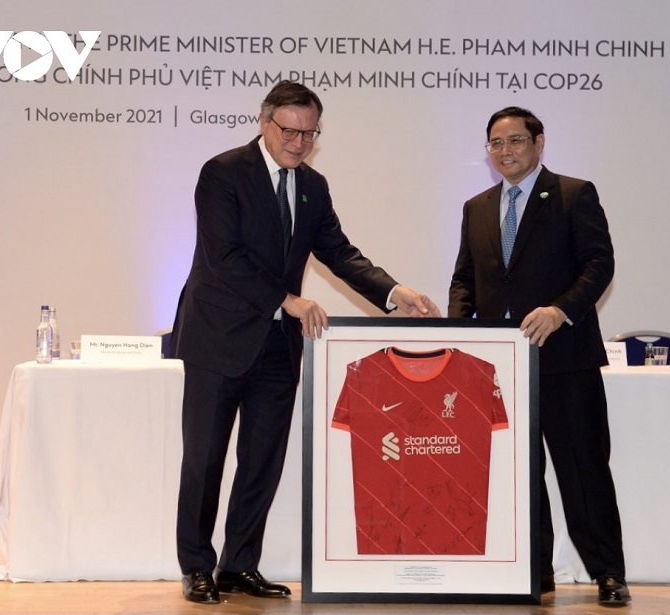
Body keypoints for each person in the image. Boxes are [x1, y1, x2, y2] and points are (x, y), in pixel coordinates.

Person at [170, 81, 441, 604]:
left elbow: (339, 252)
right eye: (290, 131)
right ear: (264, 121)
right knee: (204, 460)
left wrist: (393, 291)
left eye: (309, 134)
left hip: (278, 346)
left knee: (262, 460)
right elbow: (223, 258)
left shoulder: (313, 185)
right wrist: (287, 299)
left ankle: (238, 565)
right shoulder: (223, 173)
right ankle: (196, 566)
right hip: (218, 340)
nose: (299, 143)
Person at [447, 106, 630, 607]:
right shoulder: (477, 207)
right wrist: (462, 334)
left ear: (539, 142)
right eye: (496, 143)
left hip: (565, 359)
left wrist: (560, 310)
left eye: (515, 140)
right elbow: (465, 279)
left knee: (583, 470)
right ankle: (535, 570)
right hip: (502, 366)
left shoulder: (573, 194)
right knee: (519, 474)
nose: (504, 151)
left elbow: (599, 264)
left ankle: (608, 572)